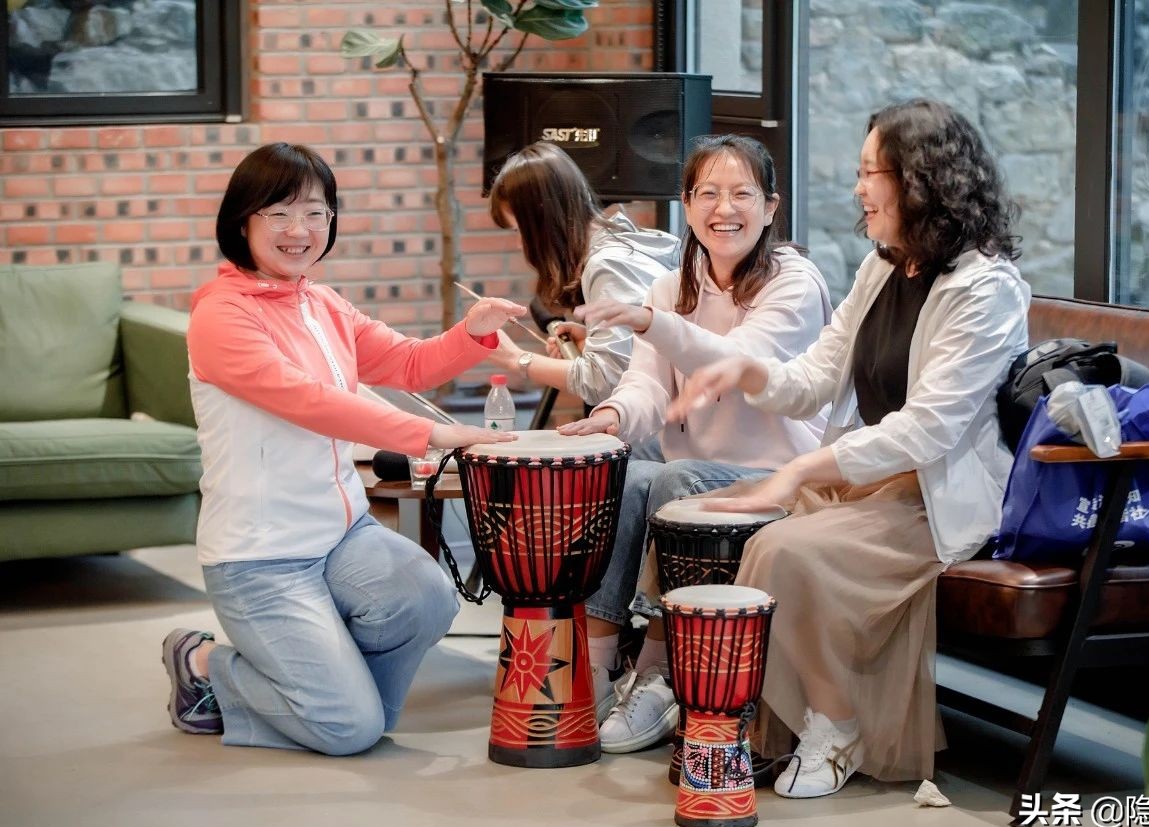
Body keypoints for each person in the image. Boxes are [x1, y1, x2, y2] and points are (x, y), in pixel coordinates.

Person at [670, 99, 1030, 798]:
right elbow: (812, 379)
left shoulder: (987, 290)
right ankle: (704, 700)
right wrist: (743, 371)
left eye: (873, 172)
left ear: (922, 180)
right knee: (715, 510)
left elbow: (927, 429)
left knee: (783, 547)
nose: (860, 188)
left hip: (927, 500)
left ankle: (839, 723)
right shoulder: (882, 268)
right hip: (866, 483)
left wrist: (802, 468)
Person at [163, 142, 523, 755]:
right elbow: (308, 400)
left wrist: (475, 331)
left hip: (342, 535)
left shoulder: (320, 302)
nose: (299, 230)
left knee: (427, 597)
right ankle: (201, 664)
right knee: (348, 729)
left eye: (315, 212)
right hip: (260, 558)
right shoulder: (221, 316)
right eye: (278, 213)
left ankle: (326, 689)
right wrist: (430, 435)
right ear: (242, 221)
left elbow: (407, 363)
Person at [557, 134, 832, 752]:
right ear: (685, 205)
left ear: (770, 208)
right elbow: (646, 388)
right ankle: (598, 670)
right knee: (624, 474)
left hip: (783, 475)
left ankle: (660, 671)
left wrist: (656, 325)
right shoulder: (671, 287)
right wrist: (609, 417)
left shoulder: (794, 283)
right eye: (707, 193)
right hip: (700, 472)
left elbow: (738, 361)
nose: (723, 208)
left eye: (741, 194)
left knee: (677, 483)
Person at [483, 142, 681, 405]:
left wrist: (515, 358)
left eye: (519, 230)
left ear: (543, 219)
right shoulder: (621, 250)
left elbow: (607, 382)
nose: (520, 244)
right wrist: (592, 341)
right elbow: (645, 353)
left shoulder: (609, 266)